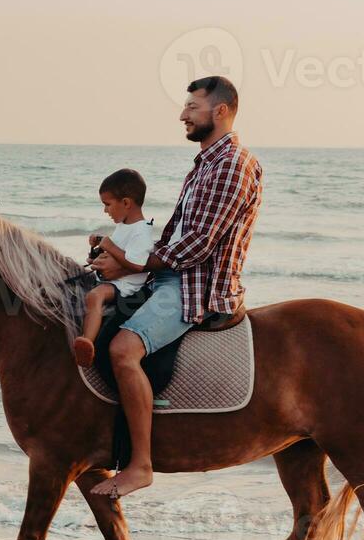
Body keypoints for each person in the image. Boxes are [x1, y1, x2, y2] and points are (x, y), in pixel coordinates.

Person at [88, 76, 263, 498]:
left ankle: (140, 465)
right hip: (171, 274)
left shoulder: (232, 165)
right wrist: (118, 261)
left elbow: (198, 244)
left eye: (192, 106)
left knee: (123, 350)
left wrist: (132, 262)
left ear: (219, 111)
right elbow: (173, 237)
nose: (183, 114)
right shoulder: (205, 163)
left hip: (195, 287)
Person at [73, 169, 155, 368]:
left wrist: (108, 245)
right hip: (113, 280)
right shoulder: (124, 225)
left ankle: (87, 342)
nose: (105, 211)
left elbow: (137, 263)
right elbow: (116, 252)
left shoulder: (142, 231)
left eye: (107, 205)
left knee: (94, 296)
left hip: (126, 286)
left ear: (126, 203)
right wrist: (98, 250)